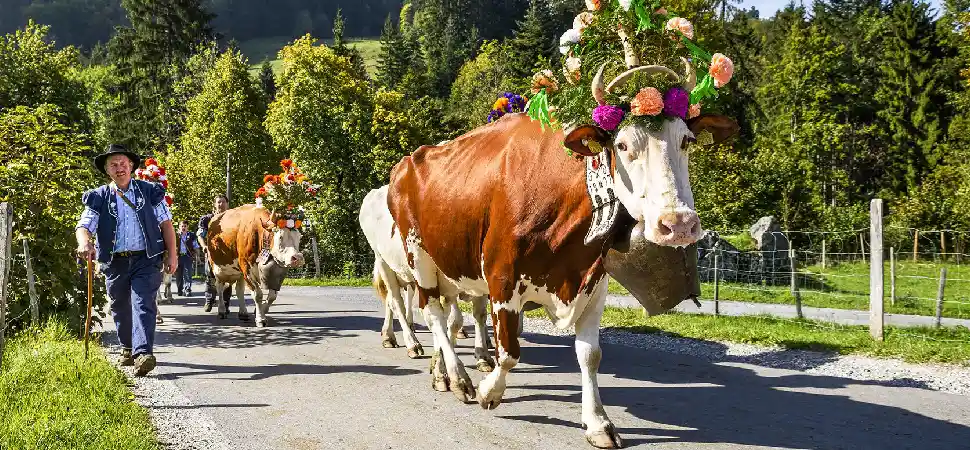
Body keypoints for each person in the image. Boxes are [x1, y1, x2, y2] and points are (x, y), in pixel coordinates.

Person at [75, 144, 178, 377]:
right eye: (114, 164)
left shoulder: (149, 192)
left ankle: (143, 354)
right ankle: (128, 347)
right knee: (120, 307)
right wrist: (84, 242)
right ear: (107, 170)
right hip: (115, 262)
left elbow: (166, 225)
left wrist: (172, 254)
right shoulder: (99, 197)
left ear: (131, 166)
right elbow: (84, 226)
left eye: (123, 163)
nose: (119, 168)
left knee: (144, 303)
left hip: (146, 259)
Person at [197, 194, 229, 311]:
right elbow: (200, 235)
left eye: (223, 202)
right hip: (212, 253)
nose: (221, 204)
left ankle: (225, 303)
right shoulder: (206, 219)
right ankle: (209, 301)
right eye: (218, 202)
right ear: (214, 204)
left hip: (229, 255)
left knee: (228, 278)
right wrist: (204, 246)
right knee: (210, 276)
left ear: (227, 204)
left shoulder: (233, 218)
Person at [175, 220, 198, 296]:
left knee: (188, 274)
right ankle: (179, 289)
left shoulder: (191, 235)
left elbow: (195, 246)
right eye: (182, 226)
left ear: (187, 227)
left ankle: (187, 289)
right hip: (178, 257)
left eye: (185, 226)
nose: (183, 228)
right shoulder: (176, 235)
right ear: (179, 227)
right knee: (178, 274)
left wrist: (197, 255)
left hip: (188, 256)